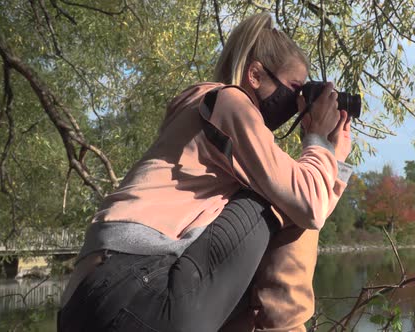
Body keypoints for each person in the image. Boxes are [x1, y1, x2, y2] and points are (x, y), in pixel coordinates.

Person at [58, 12, 353, 332]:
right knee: (272, 202)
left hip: (85, 301)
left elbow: (308, 201)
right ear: (255, 75)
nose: (297, 106)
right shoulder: (229, 102)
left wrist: (335, 161)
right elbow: (306, 204)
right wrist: (318, 141)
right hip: (136, 289)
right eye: (295, 90)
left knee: (281, 195)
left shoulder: (201, 111)